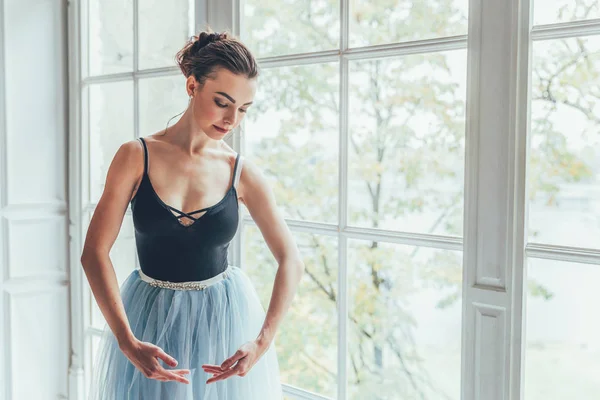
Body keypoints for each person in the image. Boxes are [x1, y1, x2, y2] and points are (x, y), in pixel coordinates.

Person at [81, 29, 305, 399]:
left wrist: (261, 342)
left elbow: (291, 260)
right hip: (146, 318)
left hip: (223, 323)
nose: (232, 119)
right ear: (191, 86)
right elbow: (94, 252)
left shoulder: (241, 171)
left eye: (243, 109)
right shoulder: (135, 156)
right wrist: (126, 340)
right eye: (222, 102)